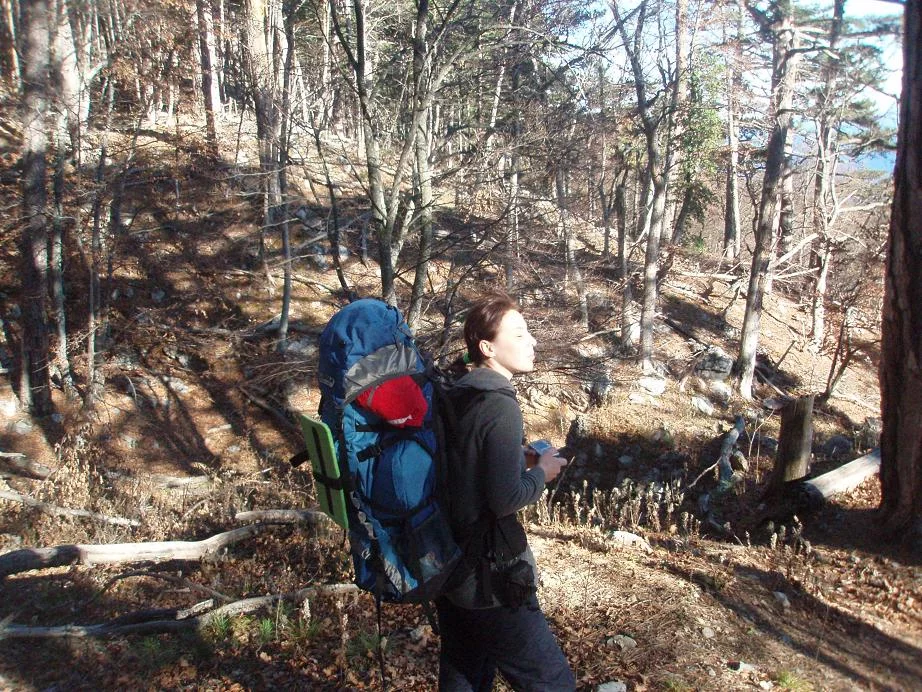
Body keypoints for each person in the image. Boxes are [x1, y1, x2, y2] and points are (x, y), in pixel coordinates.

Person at [437, 292, 575, 691]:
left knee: (465, 673)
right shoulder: (499, 404)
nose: (532, 341)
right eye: (519, 333)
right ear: (488, 347)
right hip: (491, 576)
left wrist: (516, 457)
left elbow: (466, 465)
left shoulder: (459, 390)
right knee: (552, 683)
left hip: (450, 563)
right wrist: (542, 472)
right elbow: (505, 499)